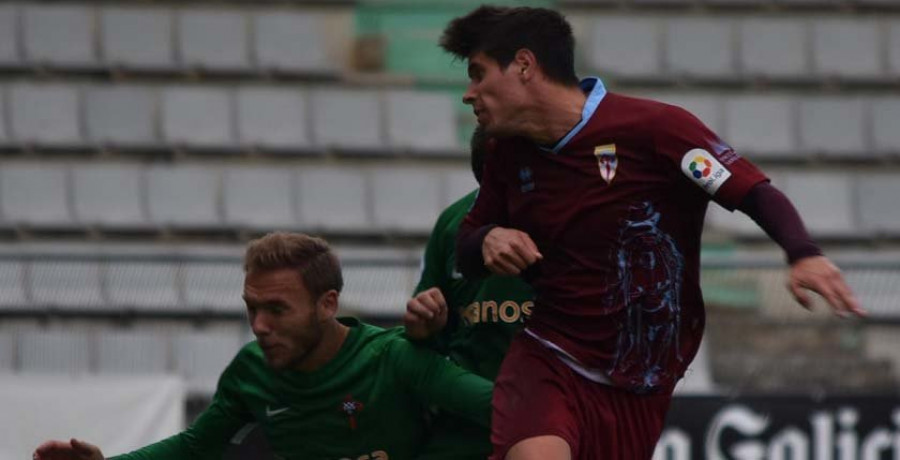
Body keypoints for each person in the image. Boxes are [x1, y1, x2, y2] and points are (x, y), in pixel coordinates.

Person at [440, 6, 866, 460]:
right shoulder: (507, 152)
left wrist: (803, 253)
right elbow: (464, 247)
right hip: (549, 358)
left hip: (641, 381)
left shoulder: (657, 129)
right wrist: (486, 239)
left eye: (478, 74)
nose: (469, 94)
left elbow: (750, 191)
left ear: (524, 65)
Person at [34, 232, 492, 460]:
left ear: (326, 304)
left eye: (277, 309)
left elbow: (499, 407)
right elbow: (197, 448)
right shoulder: (251, 371)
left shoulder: (395, 359)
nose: (259, 326)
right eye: (251, 308)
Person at [404, 127, 534, 459]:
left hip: (547, 418)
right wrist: (422, 325)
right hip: (464, 423)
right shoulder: (452, 224)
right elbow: (423, 334)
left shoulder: (568, 219)